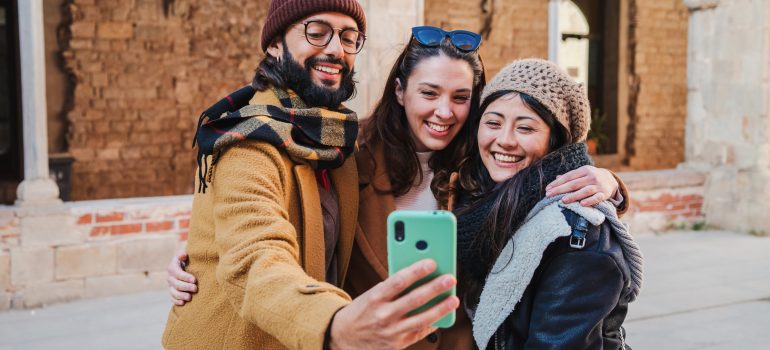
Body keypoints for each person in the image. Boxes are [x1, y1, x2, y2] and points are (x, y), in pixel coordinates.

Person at [167, 22, 632, 349]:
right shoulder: (342, 157)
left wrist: (610, 183)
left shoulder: (484, 163)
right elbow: (269, 221)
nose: (444, 112)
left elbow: (542, 169)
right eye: (428, 93)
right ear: (400, 91)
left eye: (461, 98)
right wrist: (205, 256)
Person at [162, 1, 460, 349]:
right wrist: (334, 323)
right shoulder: (249, 143)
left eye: (349, 38)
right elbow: (255, 260)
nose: (335, 50)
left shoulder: (337, 142)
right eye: (317, 33)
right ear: (275, 43)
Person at [453, 58, 644, 349]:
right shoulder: (475, 193)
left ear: (556, 140)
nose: (504, 140)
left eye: (525, 128)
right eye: (492, 123)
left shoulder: (578, 234)